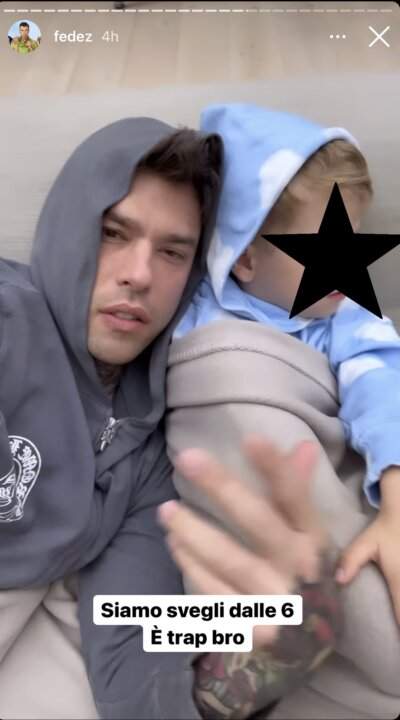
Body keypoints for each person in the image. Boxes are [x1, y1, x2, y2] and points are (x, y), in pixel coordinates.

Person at [0, 117, 342, 720]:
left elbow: (134, 652)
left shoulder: (148, 441)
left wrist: (270, 638)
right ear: (66, 226)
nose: (139, 274)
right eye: (113, 233)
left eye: (172, 252)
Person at [166, 103, 400, 719]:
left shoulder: (346, 317)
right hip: (219, 506)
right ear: (244, 259)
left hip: (322, 489)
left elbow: (383, 387)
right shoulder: (190, 316)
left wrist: (395, 501)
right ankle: (229, 658)